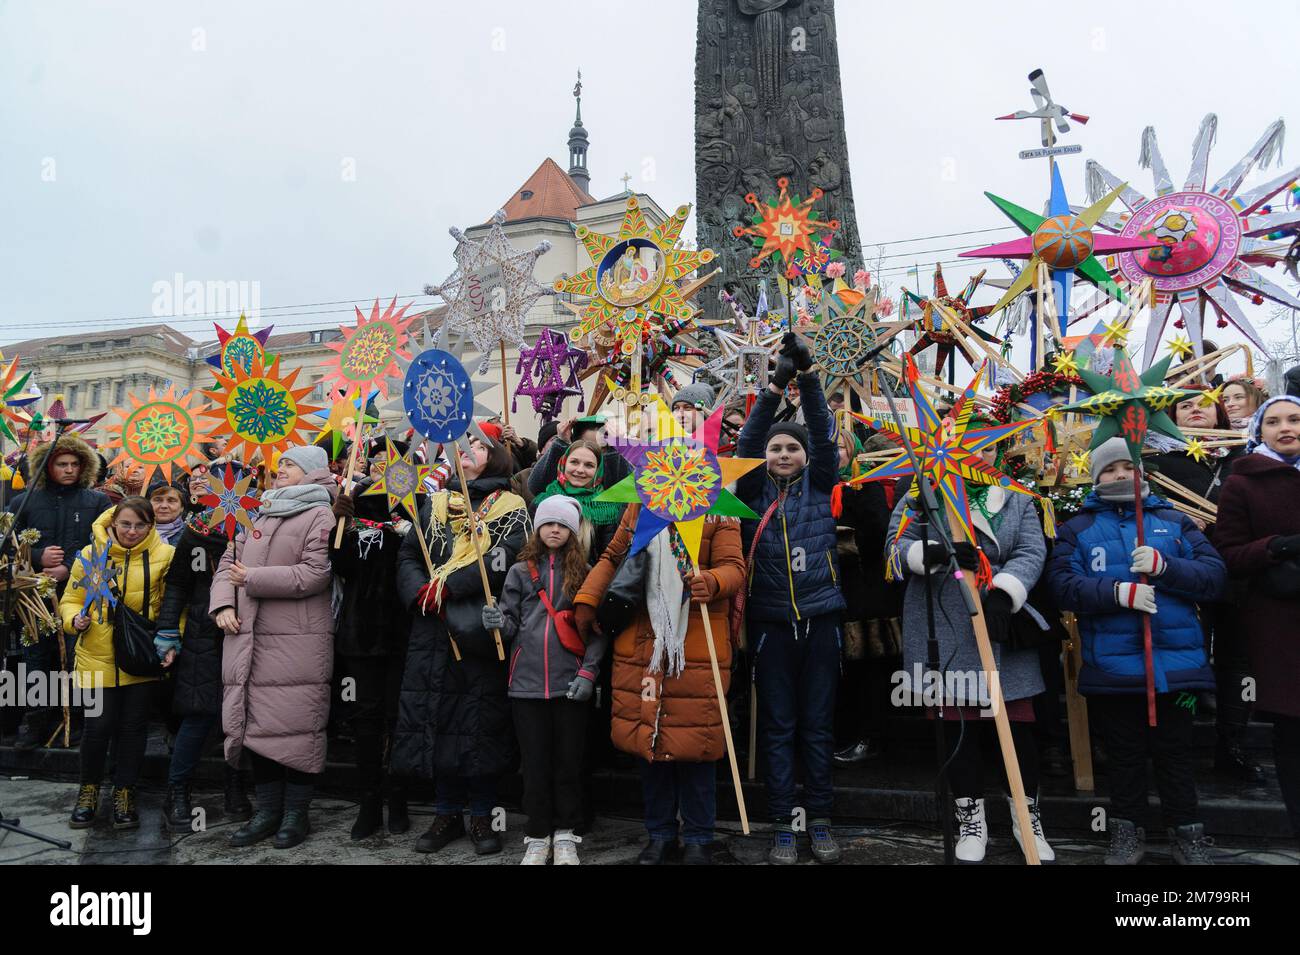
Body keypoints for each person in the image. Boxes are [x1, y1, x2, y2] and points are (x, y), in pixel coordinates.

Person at [1049, 438, 1226, 865]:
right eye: (1110, 469)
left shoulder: (1174, 521)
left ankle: (1187, 831)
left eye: (1128, 466)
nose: (1121, 475)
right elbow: (1060, 583)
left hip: (1176, 670)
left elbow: (1214, 576)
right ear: (1096, 476)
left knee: (1176, 752)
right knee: (1124, 754)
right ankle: (1127, 831)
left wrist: (1167, 568)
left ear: (1141, 472)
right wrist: (1116, 591)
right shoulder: (1078, 528)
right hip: (1115, 671)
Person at [890, 426, 1054, 864]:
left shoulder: (1016, 496)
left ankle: (1026, 816)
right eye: (968, 445)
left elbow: (1031, 550)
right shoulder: (922, 491)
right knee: (959, 725)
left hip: (1001, 622)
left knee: (1016, 728)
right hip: (943, 619)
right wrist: (926, 554)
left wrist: (1004, 591)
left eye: (984, 446)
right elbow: (895, 546)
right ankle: (970, 820)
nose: (974, 453)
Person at [572, 501, 745, 865]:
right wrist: (588, 599)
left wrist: (712, 581)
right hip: (642, 640)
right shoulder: (638, 508)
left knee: (696, 744)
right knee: (649, 743)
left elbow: (735, 569)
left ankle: (699, 836)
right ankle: (660, 835)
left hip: (694, 642)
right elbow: (612, 556)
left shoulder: (719, 509)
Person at [733, 332, 846, 865]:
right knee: (778, 727)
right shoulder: (752, 490)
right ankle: (783, 822)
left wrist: (809, 379)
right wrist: (775, 384)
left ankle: (820, 819)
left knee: (818, 726)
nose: (781, 453)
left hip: (820, 621)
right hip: (770, 625)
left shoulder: (820, 482)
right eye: (776, 448)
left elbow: (823, 434)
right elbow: (747, 444)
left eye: (790, 447)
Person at [392, 430, 529, 856]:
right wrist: (421, 591)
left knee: (477, 723)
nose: (466, 453)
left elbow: (504, 558)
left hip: (477, 630)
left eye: (478, 446)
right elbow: (410, 555)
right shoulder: (433, 505)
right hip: (432, 631)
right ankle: (446, 813)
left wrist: (448, 585)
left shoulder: (511, 507)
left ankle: (483, 815)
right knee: (439, 720)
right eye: (461, 447)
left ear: (495, 457)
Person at [210, 444, 337, 849]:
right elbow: (226, 566)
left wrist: (253, 579)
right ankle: (267, 811)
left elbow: (315, 574)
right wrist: (223, 604)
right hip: (246, 635)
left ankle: (296, 814)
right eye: (279, 462)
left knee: (297, 728)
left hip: (297, 641)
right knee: (257, 725)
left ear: (312, 471)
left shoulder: (321, 512)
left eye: (290, 463)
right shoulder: (257, 511)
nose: (280, 468)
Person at [482, 495, 606, 864]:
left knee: (568, 763)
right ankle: (538, 834)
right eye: (548, 523)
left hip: (571, 683)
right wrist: (495, 623)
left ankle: (566, 833)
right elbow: (509, 625)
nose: (555, 529)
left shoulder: (586, 572)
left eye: (562, 524)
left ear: (572, 530)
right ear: (537, 529)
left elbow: (597, 632)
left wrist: (589, 671)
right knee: (534, 763)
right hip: (526, 684)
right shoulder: (520, 572)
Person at [1146, 388, 1259, 783]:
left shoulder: (1245, 459)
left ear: (1221, 415)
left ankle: (1233, 745)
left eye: (1204, 404)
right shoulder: (1156, 461)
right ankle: (1176, 754)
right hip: (1186, 572)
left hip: (1241, 574)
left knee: (1240, 663)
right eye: (1185, 406)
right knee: (1186, 659)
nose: (1195, 410)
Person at [1212, 396, 1300, 841]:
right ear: (1259, 431)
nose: (1285, 428)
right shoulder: (1242, 483)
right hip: (1281, 627)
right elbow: (1228, 553)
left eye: (1295, 419)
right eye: (1273, 421)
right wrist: (1279, 547)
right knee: (1293, 737)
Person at [62, 497, 174, 829]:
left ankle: (125, 791)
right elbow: (70, 599)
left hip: (139, 657)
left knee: (132, 730)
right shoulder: (89, 556)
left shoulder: (165, 556)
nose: (132, 531)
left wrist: (171, 638)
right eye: (125, 524)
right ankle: (89, 790)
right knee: (96, 729)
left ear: (151, 526)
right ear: (113, 523)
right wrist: (73, 619)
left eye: (141, 525)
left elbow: (174, 605)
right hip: (95, 656)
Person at [154, 497, 252, 831]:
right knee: (199, 714)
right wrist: (167, 631)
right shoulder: (196, 533)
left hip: (246, 632)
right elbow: (178, 583)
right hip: (201, 633)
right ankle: (177, 790)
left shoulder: (258, 529)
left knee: (239, 714)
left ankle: (234, 785)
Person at [9, 431, 111, 751]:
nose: (69, 469)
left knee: (77, 656)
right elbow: (6, 546)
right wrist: (38, 557)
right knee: (36, 657)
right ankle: (36, 721)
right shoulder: (24, 500)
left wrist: (68, 564)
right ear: (46, 466)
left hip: (81, 594)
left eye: (74, 464)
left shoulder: (98, 501)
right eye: (61, 464)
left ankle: (78, 721)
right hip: (33, 597)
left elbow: (107, 545)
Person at [330, 468, 415, 839]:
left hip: (402, 633)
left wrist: (411, 519)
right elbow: (340, 566)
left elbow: (422, 560)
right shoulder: (356, 504)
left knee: (398, 719)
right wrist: (340, 522)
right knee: (365, 720)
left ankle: (398, 798)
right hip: (361, 633)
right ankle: (369, 802)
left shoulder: (416, 506)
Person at [145, 477, 189, 546]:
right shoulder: (134, 534)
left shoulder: (192, 537)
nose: (164, 506)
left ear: (182, 507)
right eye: (158, 500)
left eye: (171, 500)